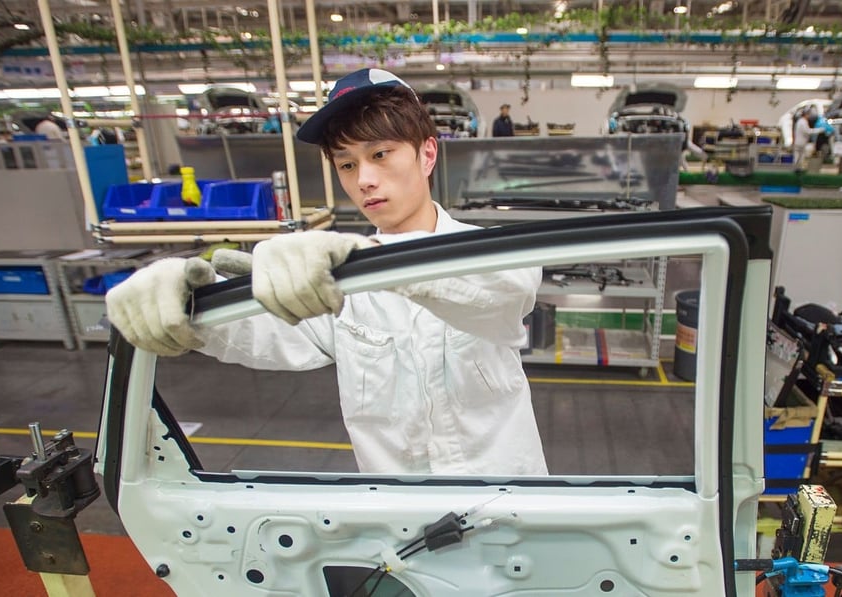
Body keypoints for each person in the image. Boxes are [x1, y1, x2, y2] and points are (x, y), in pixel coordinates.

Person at [105, 68, 548, 477]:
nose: (365, 180)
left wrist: (376, 261)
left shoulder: (490, 253)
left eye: (380, 153)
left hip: (509, 506)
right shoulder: (338, 283)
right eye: (347, 164)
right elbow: (269, 330)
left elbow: (505, 293)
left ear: (426, 154)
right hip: (402, 521)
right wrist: (192, 304)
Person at [793, 107, 820, 172]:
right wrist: (819, 130)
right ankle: (798, 170)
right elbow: (807, 131)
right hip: (801, 142)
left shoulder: (800, 121)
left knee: (798, 156)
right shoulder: (803, 122)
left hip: (799, 141)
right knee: (800, 157)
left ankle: (797, 169)